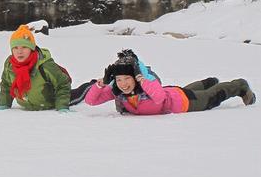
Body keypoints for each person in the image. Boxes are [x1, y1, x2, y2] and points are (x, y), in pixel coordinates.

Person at [84, 49, 256, 115]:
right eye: (119, 80)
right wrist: (101, 84)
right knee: (190, 89)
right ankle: (208, 81)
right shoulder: (119, 91)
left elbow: (158, 98)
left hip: (184, 102)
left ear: (135, 78)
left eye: (127, 79)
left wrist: (141, 79)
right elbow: (91, 101)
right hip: (173, 92)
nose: (123, 84)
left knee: (211, 97)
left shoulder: (147, 83)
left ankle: (239, 85)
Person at [0, 24, 87, 112]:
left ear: (31, 48)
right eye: (15, 48)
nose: (19, 51)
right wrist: (3, 104)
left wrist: (62, 106)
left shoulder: (44, 65)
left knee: (81, 93)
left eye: (24, 47)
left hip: (52, 102)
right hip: (28, 105)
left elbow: (62, 84)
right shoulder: (10, 64)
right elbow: (6, 84)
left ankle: (92, 85)